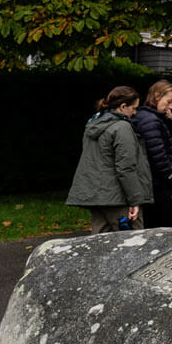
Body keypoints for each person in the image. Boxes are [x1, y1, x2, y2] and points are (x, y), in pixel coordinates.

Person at [67, 86, 154, 234]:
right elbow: (126, 168)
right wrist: (135, 201)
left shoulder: (93, 124)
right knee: (133, 242)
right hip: (118, 197)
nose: (135, 112)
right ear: (123, 106)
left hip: (97, 196)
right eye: (134, 108)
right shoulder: (122, 127)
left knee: (100, 244)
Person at [131, 79, 172, 228]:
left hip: (154, 183)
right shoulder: (151, 120)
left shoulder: (151, 118)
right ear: (156, 96)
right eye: (168, 102)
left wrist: (171, 121)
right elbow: (159, 156)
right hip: (158, 184)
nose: (171, 107)